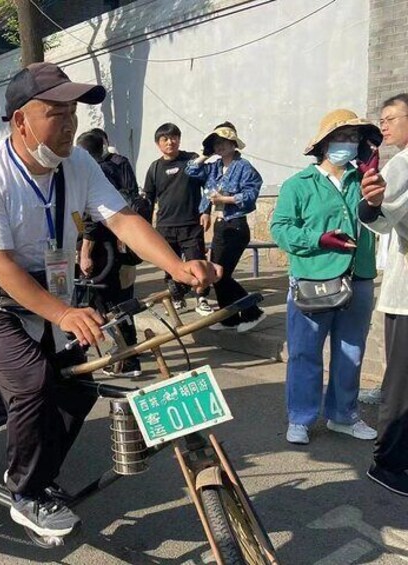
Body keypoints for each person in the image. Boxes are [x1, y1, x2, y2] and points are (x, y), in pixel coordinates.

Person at [0, 62, 220, 538]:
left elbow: (123, 220)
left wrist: (177, 266)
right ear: (20, 121)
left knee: (79, 381)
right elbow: (2, 268)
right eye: (56, 113)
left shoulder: (78, 162)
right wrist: (66, 312)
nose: (70, 123)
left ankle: (42, 474)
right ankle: (26, 493)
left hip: (53, 299)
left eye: (73, 112)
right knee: (33, 380)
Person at [270, 109, 381, 446]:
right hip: (311, 279)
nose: (347, 143)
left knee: (351, 350)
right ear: (323, 143)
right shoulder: (298, 185)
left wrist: (374, 190)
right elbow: (280, 228)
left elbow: (380, 219)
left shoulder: (364, 180)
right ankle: (301, 417)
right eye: (340, 136)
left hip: (358, 276)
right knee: (305, 351)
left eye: (353, 138)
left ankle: (343, 415)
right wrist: (318, 238)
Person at [359, 93, 408, 495]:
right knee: (401, 385)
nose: (385, 125)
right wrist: (372, 204)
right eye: (383, 118)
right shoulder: (401, 164)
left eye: (391, 118)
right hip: (406, 299)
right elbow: (383, 215)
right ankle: (387, 462)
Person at [75, 129, 143, 377]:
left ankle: (129, 358)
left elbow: (89, 219)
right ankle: (126, 351)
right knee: (118, 300)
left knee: (111, 302)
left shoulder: (94, 174)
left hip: (103, 251)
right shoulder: (117, 167)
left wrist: (84, 251)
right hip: (119, 246)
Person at [186, 122, 265, 332]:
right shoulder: (214, 167)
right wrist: (205, 154)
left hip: (236, 224)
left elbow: (250, 195)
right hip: (221, 225)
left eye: (223, 142)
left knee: (220, 274)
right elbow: (191, 171)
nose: (220, 147)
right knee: (218, 274)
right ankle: (228, 319)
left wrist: (225, 198)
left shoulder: (244, 166)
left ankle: (252, 311)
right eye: (216, 143)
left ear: (233, 143)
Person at [144, 123, 212, 314]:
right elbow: (148, 199)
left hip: (191, 224)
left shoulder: (191, 160)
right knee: (170, 265)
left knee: (197, 262)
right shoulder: (154, 168)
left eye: (174, 137)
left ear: (179, 139)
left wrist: (206, 210)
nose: (170, 142)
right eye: (165, 139)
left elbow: (208, 186)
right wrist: (147, 226)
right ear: (158, 143)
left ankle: (202, 298)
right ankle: (177, 297)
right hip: (165, 226)